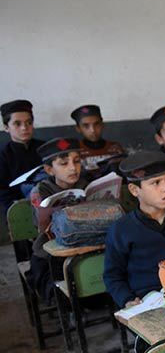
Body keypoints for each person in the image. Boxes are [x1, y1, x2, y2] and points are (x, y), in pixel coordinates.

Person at [103, 150, 165, 309]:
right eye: (156, 183)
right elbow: (113, 275)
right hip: (146, 300)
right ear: (134, 190)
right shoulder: (122, 229)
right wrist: (127, 300)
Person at [28, 138, 86, 302]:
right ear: (49, 169)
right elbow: (41, 225)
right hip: (50, 252)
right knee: (56, 289)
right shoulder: (40, 191)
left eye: (77, 161)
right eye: (63, 163)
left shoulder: (86, 184)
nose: (73, 168)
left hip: (85, 246)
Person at [0, 99, 44, 214]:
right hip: (20, 211)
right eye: (17, 124)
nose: (24, 128)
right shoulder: (3, 155)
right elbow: (3, 192)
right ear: (6, 127)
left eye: (29, 122)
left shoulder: (45, 148)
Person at [70, 104, 125, 180]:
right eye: (86, 126)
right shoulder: (75, 151)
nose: (92, 130)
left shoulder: (115, 148)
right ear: (78, 128)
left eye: (96, 124)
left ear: (102, 124)